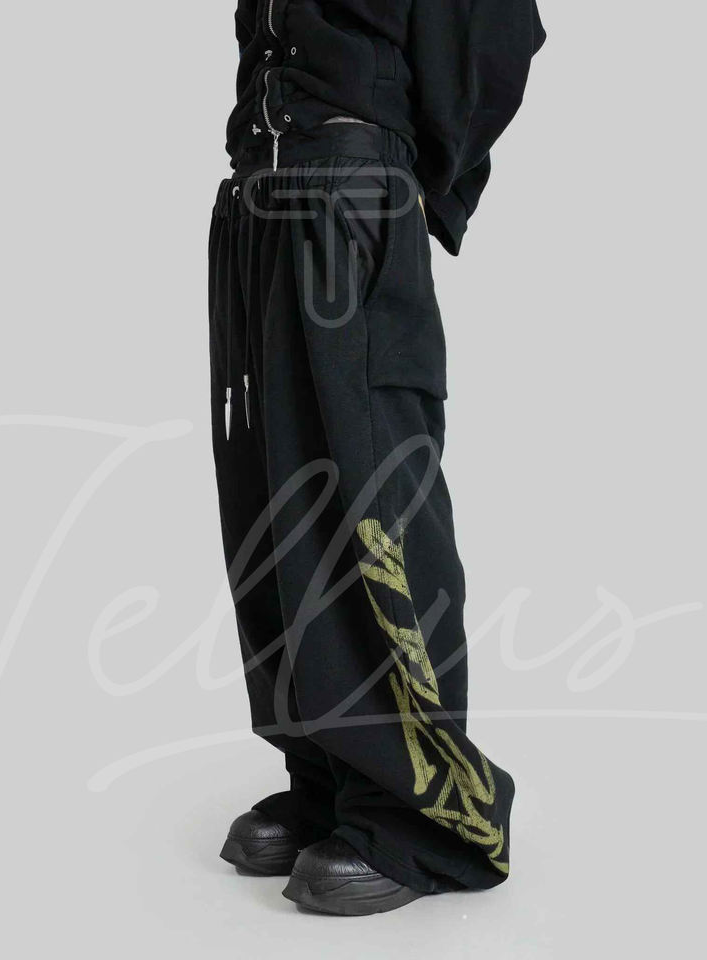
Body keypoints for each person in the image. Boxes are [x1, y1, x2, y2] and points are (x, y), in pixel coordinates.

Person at [209, 0, 545, 916]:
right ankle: (330, 775)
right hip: (261, 198)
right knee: (273, 502)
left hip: (350, 200)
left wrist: (406, 172)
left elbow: (500, 32)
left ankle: (419, 816)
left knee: (373, 496)